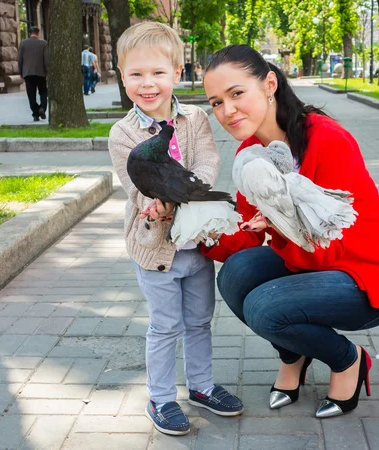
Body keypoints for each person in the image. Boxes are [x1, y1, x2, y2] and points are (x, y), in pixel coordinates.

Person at [202, 44, 379, 418]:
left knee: (264, 308)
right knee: (235, 276)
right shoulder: (251, 152)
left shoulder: (327, 141)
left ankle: (349, 361)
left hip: (365, 273)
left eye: (236, 94)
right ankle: (292, 354)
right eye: (216, 102)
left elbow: (325, 250)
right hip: (312, 266)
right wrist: (197, 225)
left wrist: (279, 229)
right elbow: (248, 236)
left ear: (269, 84)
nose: (227, 111)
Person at [108, 22, 244, 436]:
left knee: (200, 320)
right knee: (165, 325)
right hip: (155, 250)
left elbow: (207, 161)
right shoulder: (123, 133)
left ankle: (201, 386)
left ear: (177, 73)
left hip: (196, 247)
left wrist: (192, 192)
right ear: (122, 77)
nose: (148, 84)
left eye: (157, 73)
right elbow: (134, 186)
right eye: (136, 74)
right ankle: (162, 397)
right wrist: (154, 203)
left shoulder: (195, 119)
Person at [18, 27, 48, 121]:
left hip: (28, 72)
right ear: (38, 33)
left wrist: (21, 72)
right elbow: (46, 59)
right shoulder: (44, 43)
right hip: (41, 73)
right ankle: (42, 108)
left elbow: (20, 59)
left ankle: (35, 114)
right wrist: (47, 71)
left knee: (31, 94)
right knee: (43, 92)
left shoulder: (23, 43)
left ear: (29, 33)